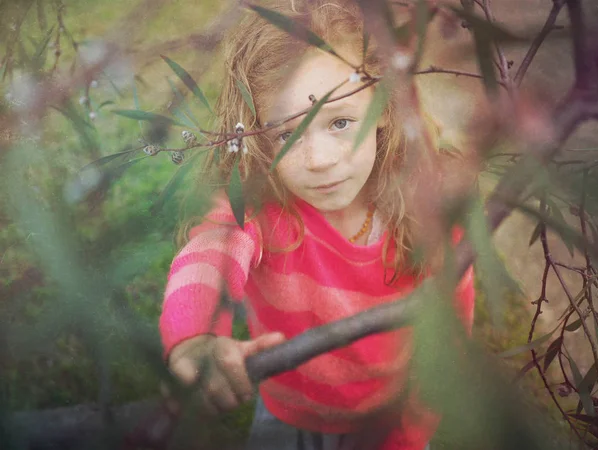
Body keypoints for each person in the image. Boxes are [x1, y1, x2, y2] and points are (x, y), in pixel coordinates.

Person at [159, 1, 475, 449]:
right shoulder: (259, 206)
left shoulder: (429, 209)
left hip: (391, 418)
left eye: (340, 122)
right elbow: (211, 252)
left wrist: (411, 428)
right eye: (286, 134)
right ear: (253, 134)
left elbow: (449, 331)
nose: (320, 161)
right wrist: (195, 339)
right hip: (289, 412)